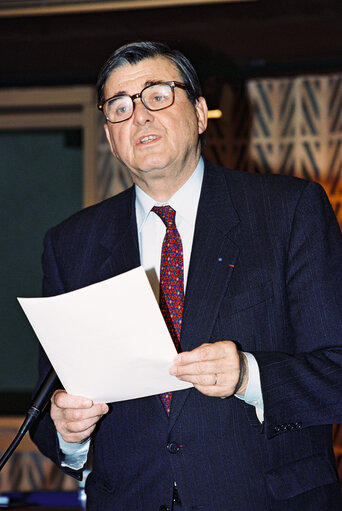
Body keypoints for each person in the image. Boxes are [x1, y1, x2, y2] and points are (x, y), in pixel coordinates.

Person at [31, 41, 342, 510]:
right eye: (119, 106)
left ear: (199, 114)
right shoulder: (70, 244)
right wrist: (67, 432)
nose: (139, 115)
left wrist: (248, 376)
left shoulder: (289, 210)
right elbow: (48, 405)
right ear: (111, 137)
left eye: (157, 95)